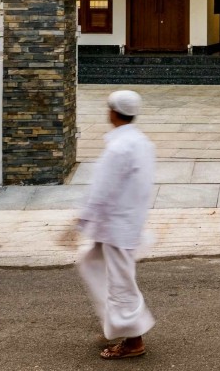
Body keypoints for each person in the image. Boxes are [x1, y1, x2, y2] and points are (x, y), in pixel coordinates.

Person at [70, 89, 157, 360]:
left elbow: (102, 191)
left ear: (112, 112)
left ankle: (133, 340)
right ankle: (115, 323)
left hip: (117, 226)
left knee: (120, 281)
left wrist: (80, 222)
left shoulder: (119, 147)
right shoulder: (141, 142)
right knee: (92, 263)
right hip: (124, 222)